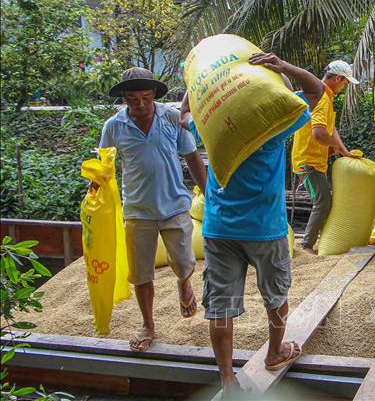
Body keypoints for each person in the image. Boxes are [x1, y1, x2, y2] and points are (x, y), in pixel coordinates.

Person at [179, 53, 324, 394]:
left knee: (220, 306)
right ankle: (275, 352)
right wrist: (285, 66)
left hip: (219, 228)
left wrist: (194, 82)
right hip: (265, 228)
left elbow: (185, 113)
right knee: (275, 296)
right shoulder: (273, 124)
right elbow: (317, 92)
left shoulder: (214, 122)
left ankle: (228, 379)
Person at [98, 66, 207, 352]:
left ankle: (184, 283)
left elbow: (192, 156)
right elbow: (104, 168)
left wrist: (208, 191)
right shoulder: (113, 126)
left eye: (146, 98)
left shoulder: (172, 118)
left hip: (174, 204)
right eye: (134, 100)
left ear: (154, 95)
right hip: (137, 210)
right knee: (141, 273)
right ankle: (148, 323)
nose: (141, 105)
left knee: (184, 262)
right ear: (124, 98)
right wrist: (96, 193)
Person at [290, 60, 359, 252]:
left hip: (314, 161)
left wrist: (343, 149)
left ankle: (320, 241)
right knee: (322, 202)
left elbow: (330, 128)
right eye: (345, 82)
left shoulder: (324, 97)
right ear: (338, 78)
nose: (344, 86)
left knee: (324, 201)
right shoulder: (321, 98)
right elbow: (319, 133)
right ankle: (306, 245)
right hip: (308, 162)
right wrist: (334, 145)